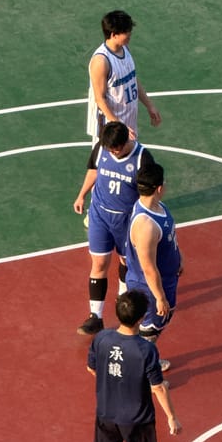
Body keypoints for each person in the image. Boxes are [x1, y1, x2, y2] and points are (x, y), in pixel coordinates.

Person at [87, 289, 192, 442]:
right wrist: (172, 417)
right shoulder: (145, 350)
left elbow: (92, 368)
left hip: (106, 413)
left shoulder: (101, 339)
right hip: (137, 419)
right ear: (141, 317)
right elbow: (158, 388)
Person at [73, 121, 157, 338]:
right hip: (100, 214)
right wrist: (82, 194)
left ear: (126, 141)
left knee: (126, 262)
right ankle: (95, 317)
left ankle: (123, 299)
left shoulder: (141, 158)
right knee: (99, 262)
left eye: (116, 149)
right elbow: (94, 170)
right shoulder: (101, 147)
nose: (113, 152)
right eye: (110, 149)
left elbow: (148, 193)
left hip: (127, 220)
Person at [125, 163, 182, 354]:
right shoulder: (146, 226)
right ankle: (144, 370)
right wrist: (159, 297)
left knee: (158, 324)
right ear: (159, 188)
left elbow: (169, 237)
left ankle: (143, 358)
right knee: (150, 331)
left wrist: (178, 259)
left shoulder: (158, 207)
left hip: (167, 278)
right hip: (149, 287)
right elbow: (148, 268)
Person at [86, 10, 162, 143]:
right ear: (114, 35)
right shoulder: (101, 61)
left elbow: (132, 79)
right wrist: (119, 126)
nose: (130, 34)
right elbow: (100, 100)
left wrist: (149, 105)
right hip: (110, 130)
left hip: (128, 124)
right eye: (126, 31)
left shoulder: (125, 49)